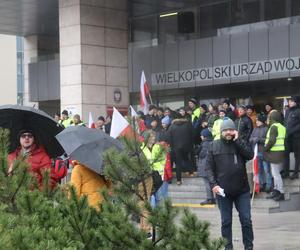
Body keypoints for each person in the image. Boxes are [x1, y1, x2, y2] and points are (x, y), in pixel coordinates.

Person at [205, 119, 254, 250]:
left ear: (234, 131)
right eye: (225, 130)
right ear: (221, 131)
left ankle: (249, 247)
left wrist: (238, 141)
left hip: (242, 190)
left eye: (231, 130)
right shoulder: (214, 145)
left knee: (246, 220)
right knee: (226, 222)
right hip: (223, 191)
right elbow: (208, 168)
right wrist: (214, 185)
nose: (228, 132)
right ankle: (228, 248)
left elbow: (250, 155)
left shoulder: (239, 143)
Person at [263, 110, 286, 201]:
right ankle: (276, 191)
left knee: (275, 174)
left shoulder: (273, 127)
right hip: (280, 152)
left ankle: (280, 192)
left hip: (274, 152)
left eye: (270, 117)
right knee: (276, 173)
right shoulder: (282, 127)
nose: (269, 118)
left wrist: (265, 149)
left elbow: (272, 141)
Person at [249, 114, 272, 192]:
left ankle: (269, 185)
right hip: (257, 152)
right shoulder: (255, 129)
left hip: (265, 152)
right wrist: (253, 139)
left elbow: (268, 140)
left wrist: (258, 139)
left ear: (262, 121)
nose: (257, 122)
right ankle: (262, 184)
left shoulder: (267, 129)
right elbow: (250, 138)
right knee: (259, 170)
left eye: (258, 120)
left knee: (267, 170)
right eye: (256, 120)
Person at [169, 114, 194, 185]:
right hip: (187, 146)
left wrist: (172, 146)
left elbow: (169, 137)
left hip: (176, 147)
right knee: (187, 158)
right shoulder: (188, 124)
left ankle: (178, 180)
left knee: (178, 163)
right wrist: (190, 144)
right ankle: (191, 172)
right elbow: (193, 134)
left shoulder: (172, 126)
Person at [283, 96, 300, 179]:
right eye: (289, 101)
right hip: (287, 137)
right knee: (286, 154)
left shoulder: (299, 111)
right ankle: (286, 172)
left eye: (291, 101)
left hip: (296, 137)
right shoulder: (287, 111)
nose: (289, 103)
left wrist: (292, 131)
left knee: (297, 155)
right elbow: (285, 123)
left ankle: (296, 173)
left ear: (296, 102)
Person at [197, 128, 215, 205]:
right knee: (213, 182)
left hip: (205, 166)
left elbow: (202, 154)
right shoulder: (213, 142)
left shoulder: (204, 144)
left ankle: (210, 198)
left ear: (204, 136)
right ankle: (215, 198)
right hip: (212, 166)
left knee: (207, 183)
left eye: (201, 135)